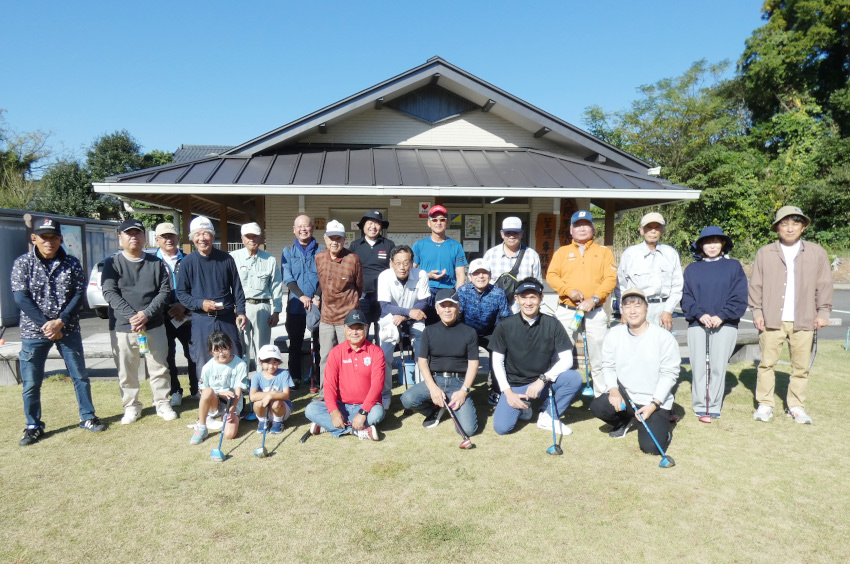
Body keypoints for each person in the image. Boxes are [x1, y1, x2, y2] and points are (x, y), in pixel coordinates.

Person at [13, 216, 106, 445]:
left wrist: (60, 321)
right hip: (34, 333)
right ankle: (33, 425)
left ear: (61, 239)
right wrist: (47, 324)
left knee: (80, 376)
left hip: (68, 329)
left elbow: (78, 295)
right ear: (34, 238)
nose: (49, 242)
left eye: (53, 237)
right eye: (44, 237)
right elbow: (21, 297)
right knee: (31, 382)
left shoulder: (72, 263)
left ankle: (87, 417)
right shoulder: (22, 263)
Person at [749, 205, 833, 424]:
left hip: (805, 318)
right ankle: (765, 404)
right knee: (766, 364)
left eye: (795, 223)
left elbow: (824, 284)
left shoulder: (816, 252)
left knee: (801, 368)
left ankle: (796, 406)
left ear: (803, 227)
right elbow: (756, 285)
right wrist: (757, 311)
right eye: (784, 224)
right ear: (777, 228)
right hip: (771, 319)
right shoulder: (765, 252)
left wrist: (823, 311)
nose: (789, 228)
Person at [101, 218, 177, 424]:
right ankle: (131, 406)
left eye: (137, 233)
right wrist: (132, 316)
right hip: (123, 327)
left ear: (144, 237)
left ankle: (162, 403)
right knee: (127, 371)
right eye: (129, 233)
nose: (133, 237)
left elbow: (164, 292)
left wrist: (146, 315)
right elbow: (109, 292)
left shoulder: (156, 263)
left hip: (154, 325)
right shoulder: (112, 263)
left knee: (160, 368)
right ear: (120, 237)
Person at [590, 287, 680, 454]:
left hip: (654, 401)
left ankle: (663, 427)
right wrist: (613, 390)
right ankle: (624, 421)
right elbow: (607, 366)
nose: (632, 311)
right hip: (627, 397)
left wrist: (653, 404)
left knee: (651, 448)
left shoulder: (663, 337)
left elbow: (670, 373)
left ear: (647, 308)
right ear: (622, 310)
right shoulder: (614, 334)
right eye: (628, 306)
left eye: (638, 305)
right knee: (598, 406)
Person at [490, 278, 583, 436]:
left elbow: (567, 359)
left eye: (533, 297)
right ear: (516, 299)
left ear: (541, 298)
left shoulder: (552, 324)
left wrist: (542, 379)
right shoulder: (505, 325)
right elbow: (497, 362)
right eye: (524, 297)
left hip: (543, 383)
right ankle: (525, 408)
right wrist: (508, 393)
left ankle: (548, 416)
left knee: (573, 378)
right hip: (516, 385)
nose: (528, 302)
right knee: (502, 427)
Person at [545, 210, 617, 397]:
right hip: (567, 310)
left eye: (586, 225)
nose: (582, 229)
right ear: (571, 230)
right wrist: (568, 291)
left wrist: (594, 299)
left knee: (600, 356)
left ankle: (602, 396)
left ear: (593, 228)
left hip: (595, 311)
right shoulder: (562, 252)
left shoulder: (604, 252)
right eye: (578, 225)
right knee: (559, 354)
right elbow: (551, 276)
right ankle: (557, 394)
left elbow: (610, 279)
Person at [681, 226, 748, 418]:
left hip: (725, 324)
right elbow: (686, 297)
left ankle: (714, 405)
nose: (712, 246)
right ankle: (700, 404)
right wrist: (700, 314)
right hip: (697, 323)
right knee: (699, 367)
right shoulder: (692, 269)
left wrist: (722, 315)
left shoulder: (733, 266)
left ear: (723, 244)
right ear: (701, 245)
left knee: (718, 366)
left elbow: (739, 296)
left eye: (716, 242)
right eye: (708, 242)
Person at [176, 216, 247, 385]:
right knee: (203, 359)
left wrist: (241, 312)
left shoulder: (226, 259)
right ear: (192, 238)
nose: (202, 238)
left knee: (233, 355)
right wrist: (200, 304)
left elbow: (237, 288)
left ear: (213, 236)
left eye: (206, 234)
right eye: (197, 234)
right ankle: (208, 396)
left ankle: (237, 395)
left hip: (226, 318)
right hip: (201, 320)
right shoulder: (187, 262)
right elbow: (182, 293)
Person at [401, 288, 480, 436]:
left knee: (468, 430)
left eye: (451, 305)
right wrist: (433, 388)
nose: (447, 310)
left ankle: (451, 406)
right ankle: (435, 409)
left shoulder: (469, 332)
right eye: (443, 306)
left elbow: (473, 364)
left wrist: (464, 391)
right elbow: (422, 362)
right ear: (437, 309)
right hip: (435, 379)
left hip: (458, 382)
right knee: (407, 399)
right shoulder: (428, 331)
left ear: (458, 307)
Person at [304, 310, 385, 440]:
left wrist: (363, 411)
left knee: (377, 413)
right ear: (344, 329)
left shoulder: (376, 352)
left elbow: (377, 384)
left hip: (367, 406)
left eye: (359, 328)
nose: (354, 332)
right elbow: (329, 384)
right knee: (311, 409)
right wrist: (333, 411)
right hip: (342, 406)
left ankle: (328, 425)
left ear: (366, 328)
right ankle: (354, 431)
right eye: (351, 328)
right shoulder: (336, 352)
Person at [376, 244, 430, 408]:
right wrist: (406, 312)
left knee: (422, 352)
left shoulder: (421, 274)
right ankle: (385, 395)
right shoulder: (384, 276)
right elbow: (385, 306)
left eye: (406, 263)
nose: (402, 267)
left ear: (412, 263)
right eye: (398, 263)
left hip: (414, 318)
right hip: (390, 319)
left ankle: (421, 393)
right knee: (384, 356)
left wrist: (406, 315)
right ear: (391, 263)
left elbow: (424, 301)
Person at [315, 220, 363, 394]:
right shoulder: (319, 257)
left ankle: (349, 392)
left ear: (344, 240)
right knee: (326, 357)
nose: (334, 242)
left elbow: (359, 286)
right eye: (331, 238)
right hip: (326, 316)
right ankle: (326, 392)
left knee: (349, 356)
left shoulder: (353, 259)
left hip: (348, 318)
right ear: (325, 238)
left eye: (338, 238)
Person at [456, 258, 511, 406]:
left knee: (500, 353)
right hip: (468, 332)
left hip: (490, 332)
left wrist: (501, 337)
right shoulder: (462, 291)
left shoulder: (499, 293)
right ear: (470, 276)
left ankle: (496, 389)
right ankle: (459, 387)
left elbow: (504, 318)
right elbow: (458, 317)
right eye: (476, 273)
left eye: (484, 273)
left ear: (490, 275)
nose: (481, 276)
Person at [154, 222, 198, 407]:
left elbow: (197, 287)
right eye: (164, 237)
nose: (168, 240)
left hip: (187, 317)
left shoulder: (190, 259)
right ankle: (175, 391)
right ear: (157, 240)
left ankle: (196, 389)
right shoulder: (151, 262)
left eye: (171, 236)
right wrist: (169, 309)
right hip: (161, 318)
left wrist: (183, 306)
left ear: (178, 238)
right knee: (167, 356)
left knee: (193, 354)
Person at [617, 212, 683, 330]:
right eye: (649, 227)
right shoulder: (630, 254)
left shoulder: (671, 253)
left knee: (662, 341)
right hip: (636, 308)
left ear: (662, 231)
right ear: (641, 230)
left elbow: (677, 286)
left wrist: (668, 310)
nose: (653, 231)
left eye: (657, 228)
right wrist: (624, 311)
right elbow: (621, 286)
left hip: (662, 309)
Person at [230, 222, 283, 370]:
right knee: (240, 346)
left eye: (255, 236)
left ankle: (262, 378)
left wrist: (276, 311)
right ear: (242, 238)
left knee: (263, 348)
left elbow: (276, 286)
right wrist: (232, 307)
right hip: (240, 308)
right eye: (248, 236)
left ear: (261, 238)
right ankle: (242, 379)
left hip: (262, 307)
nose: (251, 239)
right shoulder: (232, 258)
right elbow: (227, 285)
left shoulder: (269, 259)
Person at [280, 214, 322, 389]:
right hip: (296, 305)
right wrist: (301, 296)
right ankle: (295, 377)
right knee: (295, 343)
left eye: (306, 226)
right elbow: (287, 277)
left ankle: (319, 377)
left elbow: (325, 277)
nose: (303, 229)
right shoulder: (288, 251)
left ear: (312, 228)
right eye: (299, 226)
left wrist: (317, 297)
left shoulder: (322, 252)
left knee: (319, 343)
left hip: (317, 304)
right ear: (294, 230)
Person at [190, 331, 248, 444]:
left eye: (224, 349)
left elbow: (238, 391)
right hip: (214, 400)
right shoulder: (207, 367)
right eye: (216, 350)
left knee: (229, 435)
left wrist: (231, 410)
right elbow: (202, 390)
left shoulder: (240, 365)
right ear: (211, 352)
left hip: (232, 401)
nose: (221, 353)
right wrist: (220, 394)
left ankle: (230, 416)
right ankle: (202, 426)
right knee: (207, 391)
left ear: (230, 346)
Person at [412, 205, 468, 320]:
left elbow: (461, 276)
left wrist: (457, 296)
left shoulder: (456, 246)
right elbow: (411, 271)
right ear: (429, 223)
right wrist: (427, 275)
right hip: (425, 292)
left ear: (447, 222)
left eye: (442, 219)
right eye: (434, 220)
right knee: (426, 325)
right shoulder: (419, 245)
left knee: (447, 325)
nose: (438, 223)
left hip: (448, 292)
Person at [348, 210, 395, 339]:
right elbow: (350, 270)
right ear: (363, 225)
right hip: (362, 296)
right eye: (370, 223)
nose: (373, 227)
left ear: (381, 227)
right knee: (362, 330)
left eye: (377, 223)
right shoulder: (355, 246)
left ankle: (381, 352)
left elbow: (394, 269)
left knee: (383, 333)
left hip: (383, 297)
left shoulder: (389, 245)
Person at [483, 216, 543, 312]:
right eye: (508, 233)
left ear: (521, 234)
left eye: (515, 233)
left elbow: (538, 284)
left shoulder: (532, 255)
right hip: (495, 311)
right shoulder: (490, 255)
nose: (511, 236)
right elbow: (483, 283)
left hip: (523, 312)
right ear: (502, 234)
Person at [249, 344, 293, 435]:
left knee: (276, 402)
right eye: (267, 363)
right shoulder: (256, 377)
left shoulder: (284, 373)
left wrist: (270, 396)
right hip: (264, 410)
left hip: (281, 409)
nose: (271, 366)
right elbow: (252, 397)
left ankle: (278, 422)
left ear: (279, 362)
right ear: (260, 362)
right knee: (257, 403)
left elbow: (286, 395)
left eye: (274, 362)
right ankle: (262, 421)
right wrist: (273, 393)